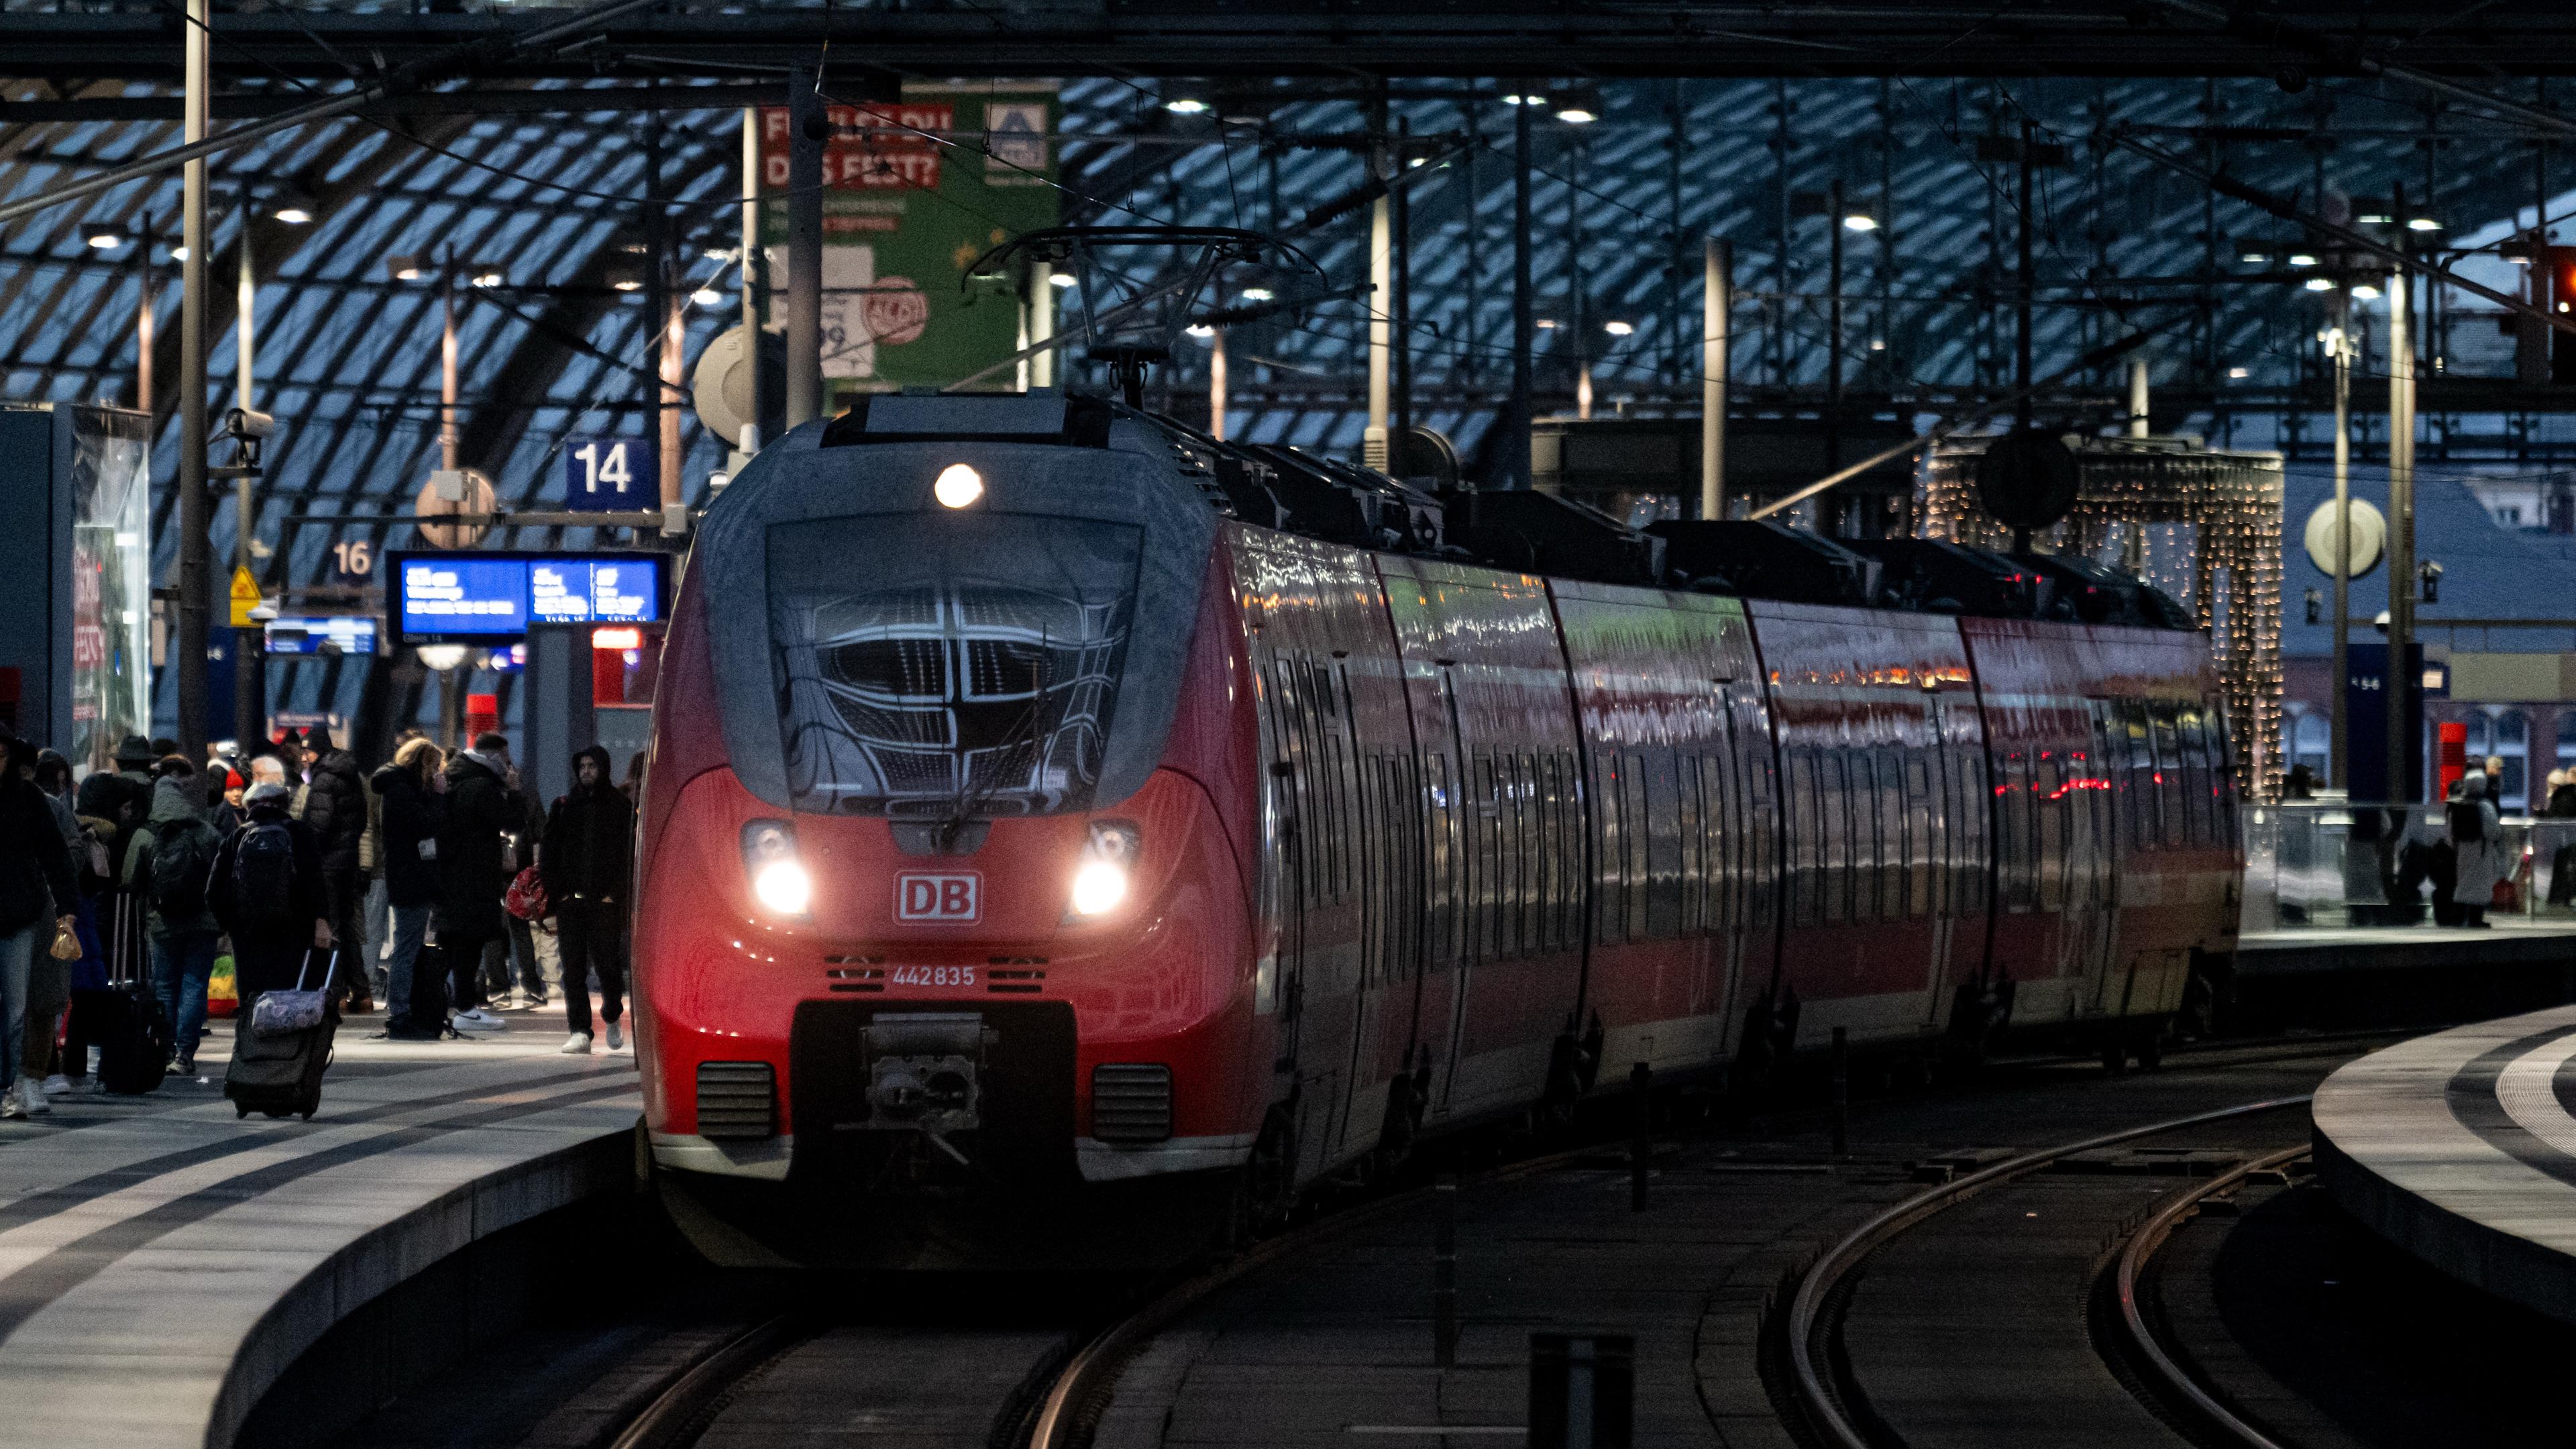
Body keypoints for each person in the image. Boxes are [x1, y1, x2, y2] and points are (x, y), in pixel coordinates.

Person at [125, 765, 224, 1075]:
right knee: (195, 985)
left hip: (161, 924)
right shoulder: (205, 832)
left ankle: (164, 1047)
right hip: (202, 923)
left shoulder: (145, 834)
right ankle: (185, 1054)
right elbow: (221, 873)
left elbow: (129, 879)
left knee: (165, 986)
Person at [0, 733, 78, 1121]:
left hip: (22, 914)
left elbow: (56, 854)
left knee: (19, 1007)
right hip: (25, 909)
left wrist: (67, 907)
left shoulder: (29, 800)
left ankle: (13, 1084)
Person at [207, 780, 332, 1017]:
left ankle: (252, 1048)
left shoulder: (237, 837)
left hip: (247, 934)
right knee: (291, 996)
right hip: (295, 930)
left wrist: (229, 923)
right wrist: (320, 919)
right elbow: (315, 881)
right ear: (284, 805)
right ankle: (290, 1050)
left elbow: (213, 891)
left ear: (249, 807)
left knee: (253, 1000)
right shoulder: (301, 834)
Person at [543, 745, 633, 1055]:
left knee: (608, 966)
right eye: (582, 766)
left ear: (603, 768)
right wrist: (559, 894)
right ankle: (580, 1030)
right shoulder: (565, 805)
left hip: (604, 902)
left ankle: (611, 1015)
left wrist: (614, 895)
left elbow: (626, 855)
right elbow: (550, 852)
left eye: (592, 766)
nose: (586, 771)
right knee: (574, 968)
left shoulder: (621, 807)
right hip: (571, 903)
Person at [434, 733, 516, 1034]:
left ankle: (447, 1004)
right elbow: (511, 820)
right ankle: (466, 1008)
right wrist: (513, 791)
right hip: (474, 878)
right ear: (493, 756)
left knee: (453, 944)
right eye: (505, 759)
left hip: (452, 876)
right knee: (469, 944)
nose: (508, 766)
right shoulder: (482, 786)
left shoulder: (456, 778)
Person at [373, 739, 447, 1039]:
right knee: (405, 948)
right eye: (434, 768)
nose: (436, 774)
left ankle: (404, 1010)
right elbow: (426, 824)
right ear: (422, 764)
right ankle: (400, 1013)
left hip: (408, 877)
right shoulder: (401, 791)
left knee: (408, 945)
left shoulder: (399, 788)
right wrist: (439, 797)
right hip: (410, 880)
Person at [297, 741, 372, 1013]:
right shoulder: (352, 776)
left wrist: (309, 855)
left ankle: (336, 991)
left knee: (331, 928)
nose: (305, 758)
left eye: (308, 752)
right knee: (349, 928)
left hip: (327, 865)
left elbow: (318, 825)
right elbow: (362, 821)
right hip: (349, 863)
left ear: (317, 752)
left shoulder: (324, 779)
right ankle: (362, 993)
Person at [2449, 771, 2506, 929]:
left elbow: (2451, 830)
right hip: (2482, 850)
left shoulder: (2458, 805)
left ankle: (2458, 917)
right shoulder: (2485, 806)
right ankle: (2476, 918)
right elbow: (2493, 831)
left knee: (2463, 883)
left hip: (2462, 850)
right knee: (2480, 885)